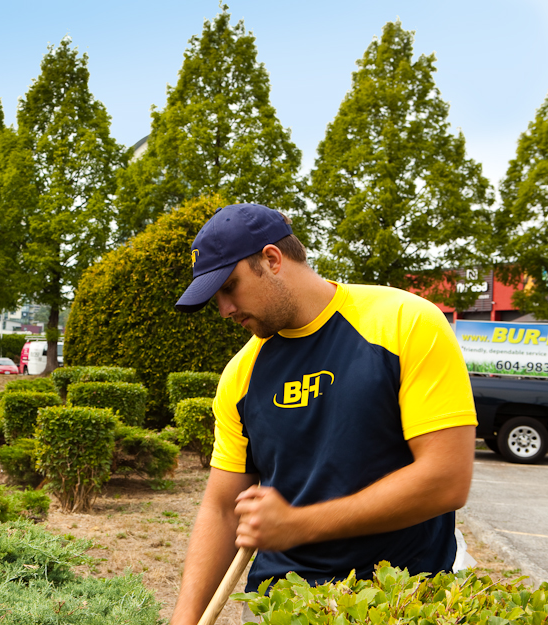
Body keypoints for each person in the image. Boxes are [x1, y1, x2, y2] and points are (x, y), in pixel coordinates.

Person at [169, 203, 477, 625]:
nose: (224, 309)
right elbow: (222, 509)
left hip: (399, 602)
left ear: (272, 260)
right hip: (279, 606)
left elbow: (446, 479)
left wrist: (299, 524)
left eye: (229, 287)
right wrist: (184, 620)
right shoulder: (240, 375)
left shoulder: (404, 322)